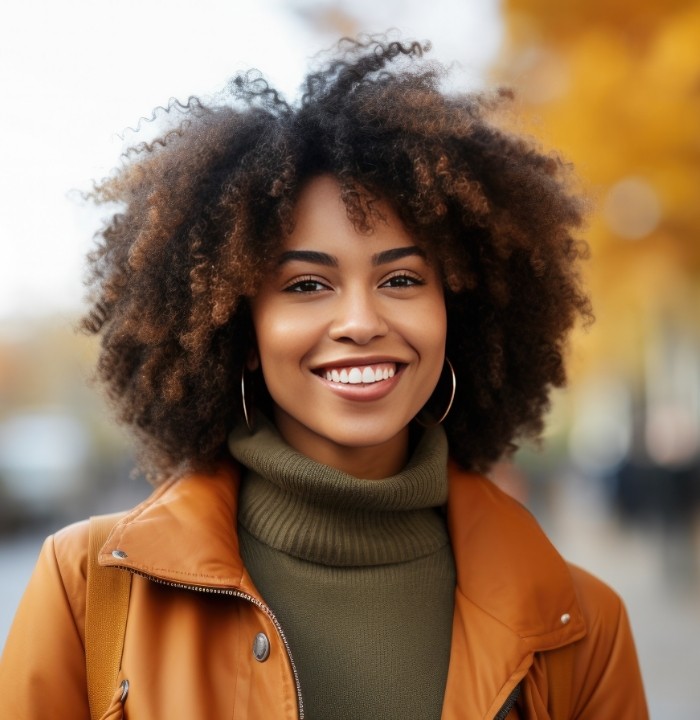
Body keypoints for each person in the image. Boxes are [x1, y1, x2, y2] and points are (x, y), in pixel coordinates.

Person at [0, 37, 648, 719]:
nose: (361, 321)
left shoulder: (579, 627)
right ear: (240, 329)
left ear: (457, 312)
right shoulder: (91, 589)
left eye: (401, 279)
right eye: (308, 285)